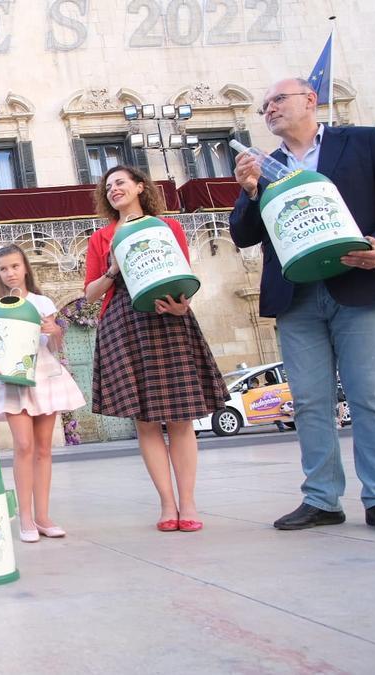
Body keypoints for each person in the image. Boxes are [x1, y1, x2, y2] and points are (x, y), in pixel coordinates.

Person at [230, 78, 375, 534]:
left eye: (277, 99)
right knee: (310, 401)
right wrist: (252, 191)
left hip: (361, 284)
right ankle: (321, 499)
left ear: (309, 101)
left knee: (370, 396)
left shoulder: (364, 141)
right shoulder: (266, 165)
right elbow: (243, 234)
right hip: (297, 295)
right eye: (264, 106)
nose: (269, 110)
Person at [84, 165, 228, 533]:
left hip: (168, 315)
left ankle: (189, 503)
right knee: (145, 420)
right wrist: (113, 269)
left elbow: (183, 274)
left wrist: (184, 305)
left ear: (139, 187)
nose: (114, 189)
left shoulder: (169, 227)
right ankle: (167, 505)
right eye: (109, 186)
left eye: (121, 183)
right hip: (124, 319)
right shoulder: (102, 237)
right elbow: (90, 294)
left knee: (180, 417)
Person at [0, 245, 86, 543]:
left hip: (43, 375)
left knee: (44, 448)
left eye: (15, 266)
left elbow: (55, 343)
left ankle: (43, 516)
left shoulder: (42, 301)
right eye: (3, 268)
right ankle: (25, 517)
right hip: (11, 380)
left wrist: (56, 331)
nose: (10, 273)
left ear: (25, 268)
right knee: (23, 445)